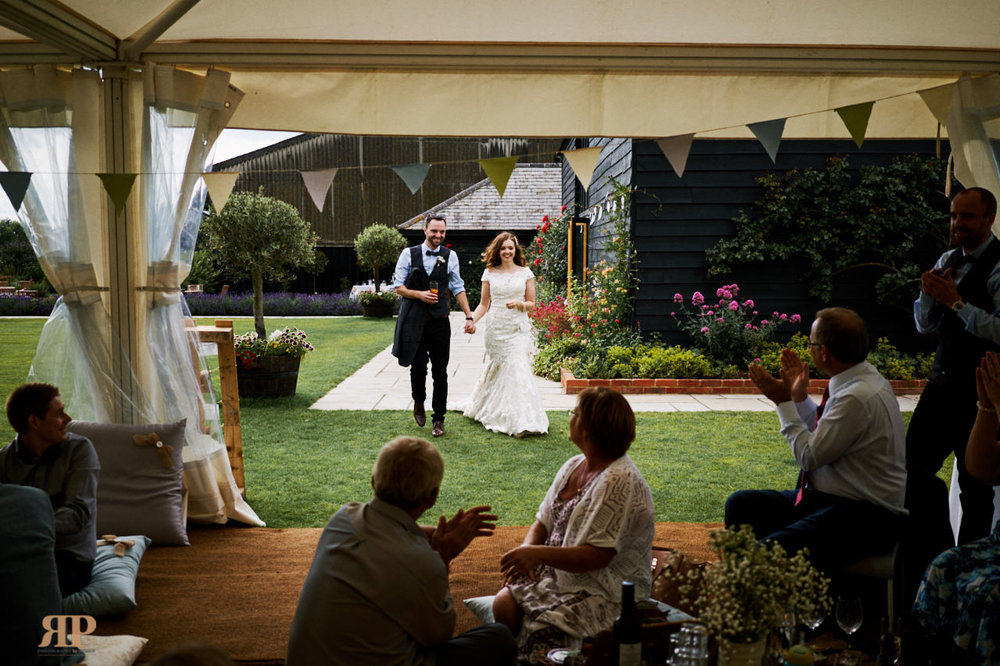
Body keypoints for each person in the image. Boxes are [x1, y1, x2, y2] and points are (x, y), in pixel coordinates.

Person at [286, 436, 515, 666]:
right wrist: (443, 556)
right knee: (499, 638)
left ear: (374, 481)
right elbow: (438, 636)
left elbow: (395, 527)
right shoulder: (423, 565)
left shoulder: (344, 517)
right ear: (432, 497)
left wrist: (438, 534)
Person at [725, 307, 907, 574]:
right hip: (836, 502)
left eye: (811, 343)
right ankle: (760, 595)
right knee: (741, 505)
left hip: (866, 517)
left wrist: (783, 401)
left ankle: (755, 594)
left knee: (762, 554)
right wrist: (798, 397)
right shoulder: (861, 379)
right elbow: (830, 436)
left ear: (824, 352)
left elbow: (810, 456)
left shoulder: (856, 396)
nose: (809, 349)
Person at [491, 387, 654, 663]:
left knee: (541, 627)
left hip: (603, 589)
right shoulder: (575, 465)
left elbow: (598, 556)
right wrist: (527, 555)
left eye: (574, 413)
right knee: (504, 604)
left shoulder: (620, 481)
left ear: (590, 429)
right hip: (559, 574)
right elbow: (543, 521)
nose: (569, 418)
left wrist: (536, 554)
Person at [905, 186, 1000, 601]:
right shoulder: (947, 260)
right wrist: (928, 296)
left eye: (967, 217)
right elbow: (925, 326)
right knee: (909, 473)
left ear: (988, 220)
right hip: (941, 386)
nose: (957, 224)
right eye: (953, 215)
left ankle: (965, 581)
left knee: (975, 488)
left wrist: (957, 303)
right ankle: (921, 564)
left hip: (982, 396)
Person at [910, 351, 1000, 664]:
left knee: (990, 594)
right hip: (951, 381)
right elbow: (982, 467)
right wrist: (988, 407)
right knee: (944, 565)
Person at [1, 382, 99, 597]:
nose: (68, 420)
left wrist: (29, 528)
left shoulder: (80, 450)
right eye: (59, 413)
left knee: (21, 588)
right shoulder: (4, 461)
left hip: (68, 556)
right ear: (34, 422)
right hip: (19, 551)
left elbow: (79, 513)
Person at [392, 215, 475, 438]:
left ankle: (439, 419)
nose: (438, 235)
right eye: (434, 231)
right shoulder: (408, 254)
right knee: (418, 367)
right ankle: (418, 401)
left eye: (442, 232)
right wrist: (418, 294)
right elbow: (398, 286)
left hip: (440, 322)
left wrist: (469, 316)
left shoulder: (451, 256)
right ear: (425, 230)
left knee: (441, 372)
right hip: (415, 322)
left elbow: (458, 287)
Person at [463, 232, 549, 438]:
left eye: (510, 248)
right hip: (496, 328)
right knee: (500, 369)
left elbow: (531, 303)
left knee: (518, 367)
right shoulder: (490, 273)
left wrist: (520, 304)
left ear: (515, 250)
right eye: (503, 248)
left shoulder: (525, 273)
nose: (507, 251)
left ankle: (522, 420)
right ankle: (490, 407)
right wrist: (471, 320)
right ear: (498, 251)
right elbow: (484, 304)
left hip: (517, 329)